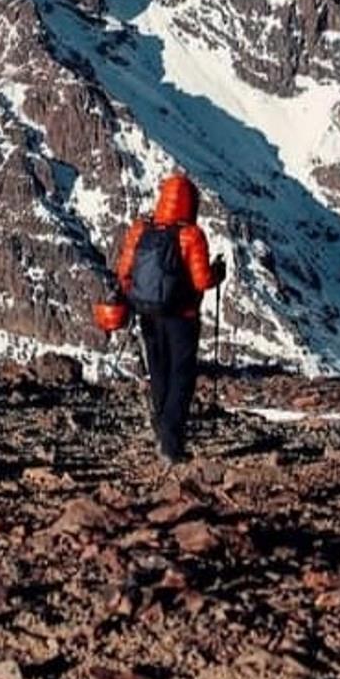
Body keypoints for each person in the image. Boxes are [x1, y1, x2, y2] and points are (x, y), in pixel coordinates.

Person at [114, 172, 224, 463]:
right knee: (181, 376)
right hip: (182, 317)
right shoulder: (191, 235)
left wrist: (135, 298)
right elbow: (202, 281)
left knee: (159, 371)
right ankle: (171, 443)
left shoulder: (142, 230)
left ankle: (162, 430)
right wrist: (218, 273)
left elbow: (124, 271)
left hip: (147, 313)